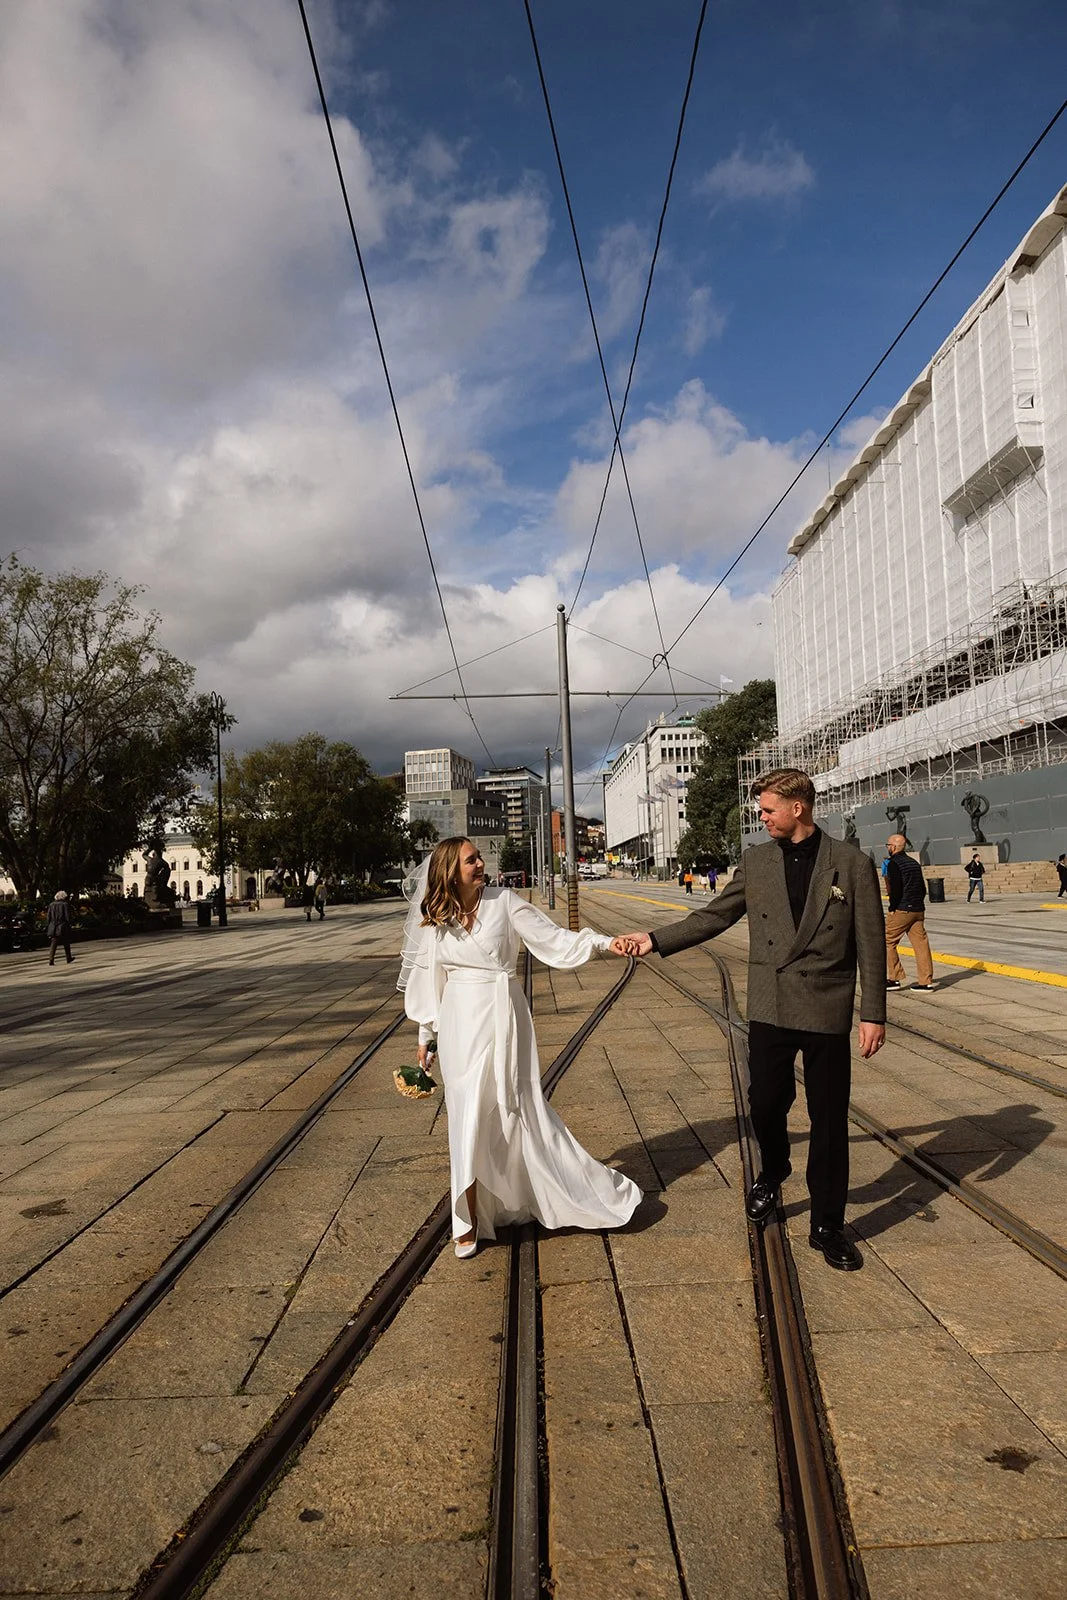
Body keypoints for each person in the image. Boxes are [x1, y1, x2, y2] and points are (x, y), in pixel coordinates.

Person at [616, 769, 885, 1273]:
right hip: (771, 1003)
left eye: (767, 810)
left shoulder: (851, 863)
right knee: (764, 1101)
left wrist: (873, 1013)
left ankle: (828, 1224)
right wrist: (655, 938)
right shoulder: (757, 861)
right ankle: (777, 1165)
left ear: (798, 808)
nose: (760, 818)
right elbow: (715, 916)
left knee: (829, 1121)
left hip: (827, 1005)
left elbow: (870, 941)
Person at [399, 836, 641, 1257]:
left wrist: (604, 942)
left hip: (506, 1016)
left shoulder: (504, 902)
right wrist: (427, 1037)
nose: (480, 864)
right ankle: (467, 1219)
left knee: (518, 1110)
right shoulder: (436, 918)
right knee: (467, 1116)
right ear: (450, 872)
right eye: (470, 860)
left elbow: (554, 939)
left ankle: (554, 1191)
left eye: (478, 857)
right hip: (460, 1022)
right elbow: (429, 980)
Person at [885, 834, 935, 991]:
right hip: (918, 910)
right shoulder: (914, 863)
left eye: (888, 845)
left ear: (894, 847)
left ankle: (894, 978)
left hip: (903, 908)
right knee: (921, 945)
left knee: (887, 940)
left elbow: (896, 890)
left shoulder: (894, 863)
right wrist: (918, 903)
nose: (887, 848)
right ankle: (925, 982)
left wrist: (892, 908)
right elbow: (922, 888)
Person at [46, 890, 74, 966]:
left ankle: (51, 959)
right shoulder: (65, 904)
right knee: (66, 942)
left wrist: (48, 925)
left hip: (53, 925)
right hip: (62, 925)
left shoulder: (51, 905)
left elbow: (48, 917)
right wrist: (70, 924)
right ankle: (68, 957)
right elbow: (67, 916)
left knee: (54, 943)